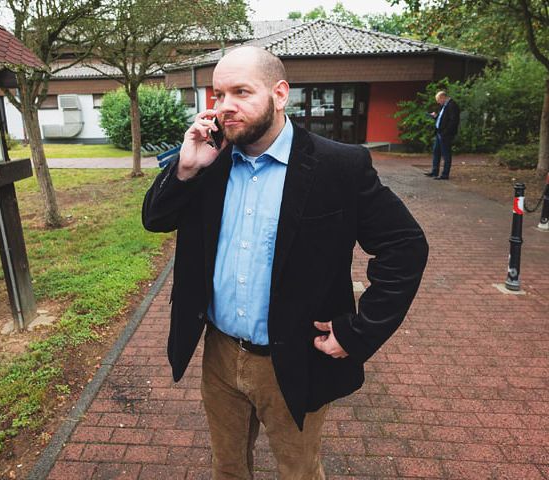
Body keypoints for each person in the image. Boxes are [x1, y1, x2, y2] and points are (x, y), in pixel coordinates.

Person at [142, 46, 428, 480]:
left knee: (298, 471)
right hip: (219, 353)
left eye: (241, 91)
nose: (225, 108)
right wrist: (185, 168)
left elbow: (405, 246)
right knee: (228, 467)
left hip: (294, 358)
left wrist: (359, 332)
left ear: (280, 94)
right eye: (218, 95)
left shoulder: (338, 166)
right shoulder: (210, 160)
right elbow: (155, 220)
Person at [424, 90, 460, 180]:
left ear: (443, 97)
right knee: (436, 152)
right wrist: (435, 116)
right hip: (439, 132)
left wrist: (445, 132)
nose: (438, 103)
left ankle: (445, 174)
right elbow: (443, 119)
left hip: (445, 134)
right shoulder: (444, 106)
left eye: (439, 100)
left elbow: (453, 121)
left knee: (446, 154)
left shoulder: (452, 105)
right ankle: (434, 171)